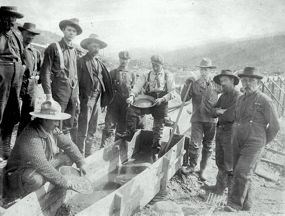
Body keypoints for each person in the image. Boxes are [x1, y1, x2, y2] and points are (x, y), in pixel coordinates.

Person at [4, 100, 87, 200]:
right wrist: (64, 182)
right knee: (36, 180)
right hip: (18, 173)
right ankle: (16, 196)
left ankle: (51, 179)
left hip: (37, 166)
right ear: (45, 119)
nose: (57, 124)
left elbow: (68, 145)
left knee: (68, 158)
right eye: (55, 120)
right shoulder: (31, 136)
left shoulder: (50, 129)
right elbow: (42, 164)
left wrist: (81, 162)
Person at [225, 67, 280, 212]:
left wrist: (261, 142)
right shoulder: (240, 99)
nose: (247, 83)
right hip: (238, 141)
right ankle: (247, 204)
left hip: (254, 142)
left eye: (251, 81)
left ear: (258, 83)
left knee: (242, 171)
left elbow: (275, 126)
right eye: (244, 80)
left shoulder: (265, 101)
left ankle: (234, 204)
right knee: (240, 170)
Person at [40, 18, 82, 143]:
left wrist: (77, 95)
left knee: (69, 122)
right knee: (55, 121)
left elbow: (75, 75)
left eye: (74, 31)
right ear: (63, 30)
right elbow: (45, 71)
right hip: (59, 89)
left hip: (73, 91)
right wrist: (48, 95)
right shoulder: (53, 47)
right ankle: (51, 150)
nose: (71, 33)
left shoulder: (74, 50)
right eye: (69, 30)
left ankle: (64, 151)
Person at [126, 55, 175, 161]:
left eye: (157, 65)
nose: (155, 67)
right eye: (153, 65)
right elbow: (137, 86)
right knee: (131, 109)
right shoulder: (146, 74)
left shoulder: (168, 76)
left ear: (162, 65)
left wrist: (162, 99)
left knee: (158, 128)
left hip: (161, 102)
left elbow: (173, 92)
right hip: (148, 101)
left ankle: (155, 152)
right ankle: (130, 136)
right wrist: (131, 96)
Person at [180, 58, 219, 181]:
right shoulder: (194, 84)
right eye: (202, 69)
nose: (204, 72)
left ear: (210, 70)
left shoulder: (216, 84)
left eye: (206, 69)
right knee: (195, 144)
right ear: (199, 70)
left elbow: (227, 95)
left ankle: (203, 170)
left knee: (208, 145)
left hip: (211, 120)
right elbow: (184, 99)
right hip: (197, 119)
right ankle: (192, 166)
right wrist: (186, 84)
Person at [77, 34, 113, 156]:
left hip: (97, 99)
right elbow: (76, 82)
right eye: (93, 46)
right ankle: (79, 155)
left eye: (98, 47)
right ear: (88, 46)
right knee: (83, 128)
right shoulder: (81, 62)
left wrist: (103, 101)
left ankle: (88, 153)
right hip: (85, 99)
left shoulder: (100, 64)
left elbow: (104, 83)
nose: (96, 49)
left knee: (93, 127)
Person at [205, 70, 241, 194]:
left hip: (231, 133)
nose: (222, 84)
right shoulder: (223, 96)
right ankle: (219, 188)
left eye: (225, 81)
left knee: (230, 163)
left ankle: (231, 193)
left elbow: (230, 116)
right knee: (219, 161)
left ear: (232, 81)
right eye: (221, 82)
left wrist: (220, 112)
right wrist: (219, 111)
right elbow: (212, 112)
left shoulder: (238, 96)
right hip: (220, 131)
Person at [0, 6, 25, 161]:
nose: (12, 21)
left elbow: (21, 56)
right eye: (9, 17)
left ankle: (4, 147)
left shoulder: (16, 35)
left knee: (12, 112)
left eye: (14, 18)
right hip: (2, 75)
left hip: (15, 76)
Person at [101, 51, 138, 147]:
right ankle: (103, 150)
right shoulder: (112, 73)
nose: (123, 61)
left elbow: (134, 89)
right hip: (113, 104)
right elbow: (106, 90)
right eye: (122, 59)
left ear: (129, 60)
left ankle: (116, 150)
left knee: (122, 129)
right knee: (109, 128)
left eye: (126, 59)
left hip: (125, 105)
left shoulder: (132, 74)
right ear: (119, 59)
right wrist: (105, 103)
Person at [17, 22, 42, 135]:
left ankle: (20, 146)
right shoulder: (15, 48)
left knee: (26, 118)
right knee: (11, 116)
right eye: (28, 34)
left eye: (33, 35)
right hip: (15, 86)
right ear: (22, 32)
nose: (30, 37)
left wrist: (37, 77)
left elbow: (41, 70)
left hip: (31, 88)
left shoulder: (36, 52)